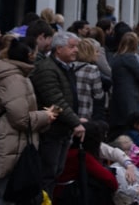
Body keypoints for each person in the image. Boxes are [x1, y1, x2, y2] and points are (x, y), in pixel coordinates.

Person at [0, 36, 57, 202]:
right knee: (7, 196)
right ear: (29, 55)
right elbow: (20, 119)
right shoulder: (16, 80)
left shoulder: (15, 76)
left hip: (12, 144)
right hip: (11, 145)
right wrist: (45, 116)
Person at [31, 30, 86, 198]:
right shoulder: (47, 69)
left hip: (62, 129)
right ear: (59, 49)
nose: (76, 50)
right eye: (72, 47)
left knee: (56, 172)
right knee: (48, 173)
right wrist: (75, 121)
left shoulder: (66, 68)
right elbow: (55, 100)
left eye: (76, 46)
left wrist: (74, 119)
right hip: (51, 130)